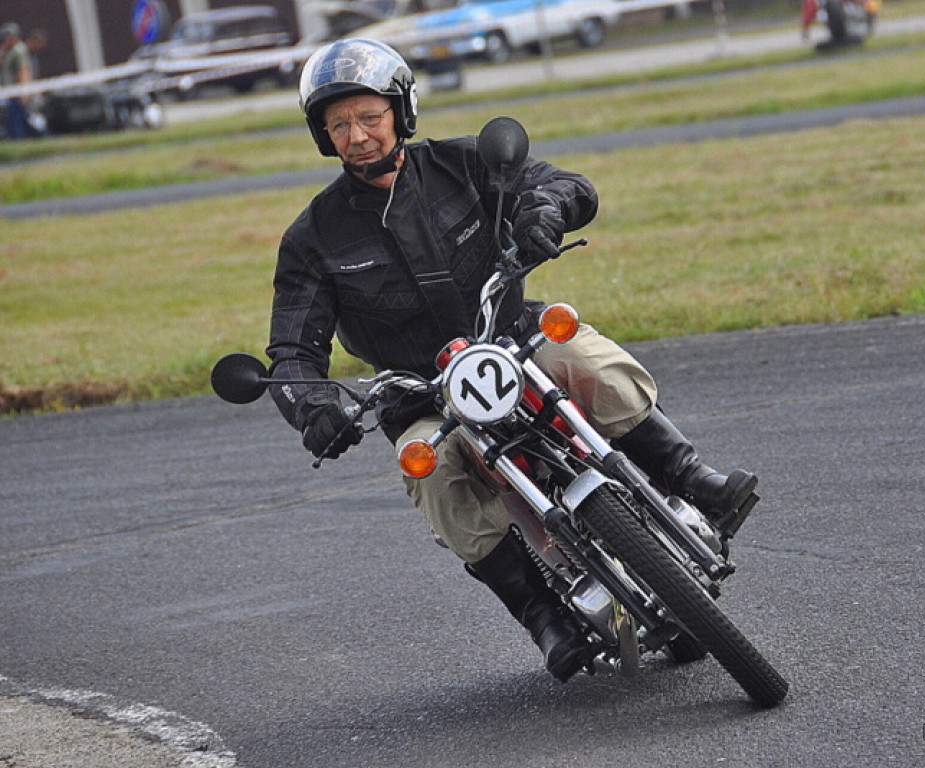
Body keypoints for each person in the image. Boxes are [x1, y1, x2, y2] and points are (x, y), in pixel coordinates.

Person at [266, 38, 759, 683]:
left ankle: (692, 476)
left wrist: (545, 211)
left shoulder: (466, 163)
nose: (357, 135)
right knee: (429, 470)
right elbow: (292, 349)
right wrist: (314, 408)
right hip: (422, 396)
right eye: (339, 125)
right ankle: (539, 615)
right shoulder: (314, 237)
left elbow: (566, 184)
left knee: (584, 354)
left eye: (369, 117)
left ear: (401, 112)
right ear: (322, 135)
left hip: (516, 340)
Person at [1, 22, 32, 139]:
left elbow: (23, 70)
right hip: (10, 91)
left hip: (17, 91)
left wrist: (24, 91)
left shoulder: (18, 51)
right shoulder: (9, 51)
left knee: (17, 117)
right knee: (16, 117)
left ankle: (19, 138)